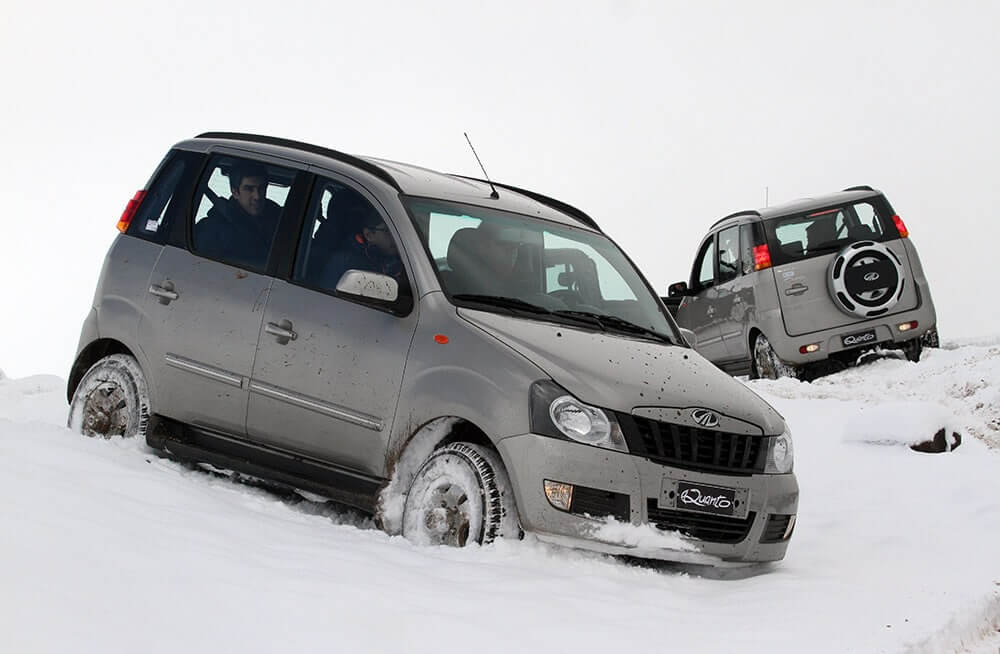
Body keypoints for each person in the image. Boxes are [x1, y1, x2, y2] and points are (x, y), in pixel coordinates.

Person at [195, 163, 282, 268]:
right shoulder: (213, 229)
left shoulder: (281, 221)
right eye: (249, 189)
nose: (257, 196)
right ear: (235, 192)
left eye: (261, 188)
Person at [320, 205, 403, 291]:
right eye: (387, 231)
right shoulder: (344, 262)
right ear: (369, 235)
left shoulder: (408, 258)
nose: (396, 238)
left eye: (398, 232)